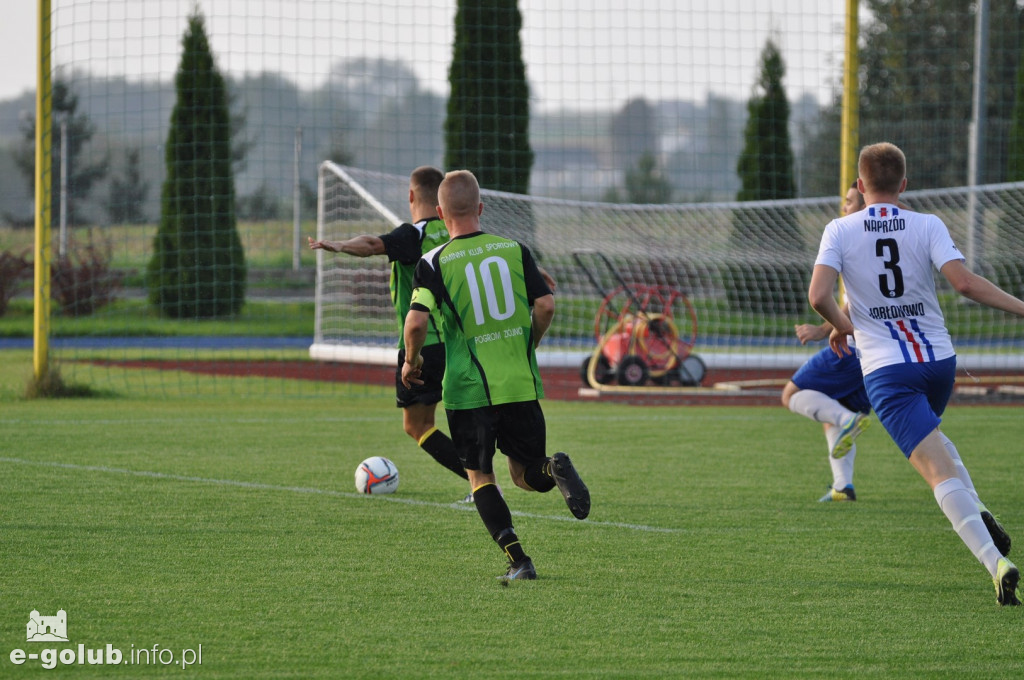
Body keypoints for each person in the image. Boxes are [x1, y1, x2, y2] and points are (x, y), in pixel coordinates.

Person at [809, 142, 1023, 606]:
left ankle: (995, 564)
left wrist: (844, 327)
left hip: (888, 371)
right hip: (938, 364)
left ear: (860, 185)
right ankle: (981, 510)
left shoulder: (839, 229)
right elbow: (964, 283)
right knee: (935, 443)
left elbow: (818, 294)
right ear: (904, 185)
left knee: (935, 472)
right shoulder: (927, 223)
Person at [401, 169, 590, 582]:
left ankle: (519, 560)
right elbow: (546, 306)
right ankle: (554, 468)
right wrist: (529, 346)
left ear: (439, 213)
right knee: (526, 475)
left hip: (470, 390)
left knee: (480, 476)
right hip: (519, 380)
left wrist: (410, 362)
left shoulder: (433, 262)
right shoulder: (514, 249)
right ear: (481, 208)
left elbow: (415, 325)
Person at [308, 166, 468, 490]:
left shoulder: (414, 234)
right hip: (460, 343)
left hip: (423, 344)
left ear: (411, 196)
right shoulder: (456, 235)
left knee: (417, 425)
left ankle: (479, 482)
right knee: (456, 415)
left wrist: (338, 245)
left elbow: (370, 244)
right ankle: (483, 480)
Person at [782, 182, 871, 502]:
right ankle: (842, 486)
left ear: (864, 205)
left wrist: (823, 330)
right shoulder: (884, 236)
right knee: (834, 408)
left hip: (855, 345)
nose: (844, 208)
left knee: (791, 394)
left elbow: (856, 299)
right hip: (879, 351)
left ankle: (849, 422)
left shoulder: (850, 235)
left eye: (849, 202)